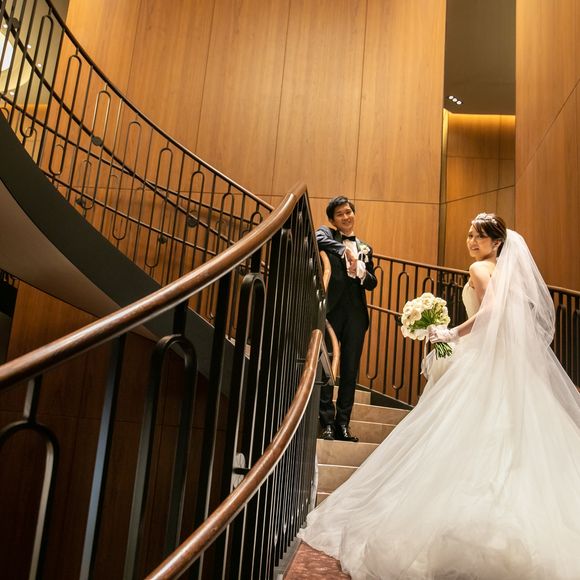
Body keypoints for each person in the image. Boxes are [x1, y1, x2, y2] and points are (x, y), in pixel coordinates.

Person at [299, 213, 580, 579]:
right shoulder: (508, 273)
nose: (471, 242)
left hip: (483, 362)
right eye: (470, 235)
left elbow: (490, 314)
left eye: (479, 236)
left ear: (497, 242)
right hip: (505, 363)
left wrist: (451, 333)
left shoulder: (480, 269)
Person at [316, 196, 377, 442]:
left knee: (350, 371)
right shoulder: (327, 234)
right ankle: (326, 423)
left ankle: (343, 424)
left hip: (356, 315)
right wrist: (345, 251)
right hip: (331, 311)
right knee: (326, 367)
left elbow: (372, 282)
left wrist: (362, 272)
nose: (346, 216)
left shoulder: (366, 247)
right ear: (333, 220)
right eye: (340, 214)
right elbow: (317, 238)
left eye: (348, 212)